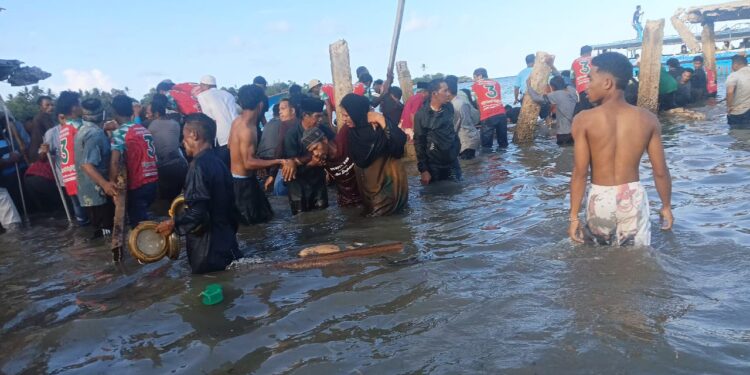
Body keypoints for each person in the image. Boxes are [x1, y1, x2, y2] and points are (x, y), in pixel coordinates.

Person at [568, 52, 673, 246]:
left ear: (607, 83)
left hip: (600, 198)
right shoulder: (648, 118)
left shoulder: (583, 119)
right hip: (632, 196)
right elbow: (660, 171)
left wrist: (573, 217)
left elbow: (580, 173)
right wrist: (666, 206)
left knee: (599, 258)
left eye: (590, 79)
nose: (585, 86)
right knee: (637, 258)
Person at [156, 113, 241, 274]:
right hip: (226, 241)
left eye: (184, 135)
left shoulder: (198, 166)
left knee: (209, 292)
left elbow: (198, 214)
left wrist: (173, 223)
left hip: (207, 250)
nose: (182, 142)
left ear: (194, 135)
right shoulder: (219, 163)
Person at [229, 84, 294, 224]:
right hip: (244, 185)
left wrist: (259, 163)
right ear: (260, 105)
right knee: (254, 224)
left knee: (265, 218)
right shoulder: (248, 129)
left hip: (237, 180)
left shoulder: (237, 122)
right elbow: (248, 162)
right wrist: (279, 161)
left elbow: (231, 147)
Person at [339, 94, 408, 216]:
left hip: (389, 194)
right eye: (342, 115)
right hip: (369, 196)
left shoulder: (379, 127)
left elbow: (399, 144)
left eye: (346, 115)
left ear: (356, 113)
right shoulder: (351, 132)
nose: (344, 119)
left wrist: (380, 119)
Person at [109, 95, 159, 227]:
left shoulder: (120, 133)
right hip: (153, 180)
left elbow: (114, 162)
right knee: (145, 217)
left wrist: (111, 184)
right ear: (131, 111)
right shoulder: (143, 129)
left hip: (137, 184)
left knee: (138, 227)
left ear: (114, 113)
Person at [75, 98, 115, 238]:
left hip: (86, 191)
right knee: (108, 232)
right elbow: (87, 164)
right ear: (103, 114)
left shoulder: (82, 130)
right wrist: (105, 184)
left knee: (98, 230)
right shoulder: (95, 134)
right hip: (98, 192)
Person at [282, 97, 328, 215]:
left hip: (318, 184)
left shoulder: (322, 130)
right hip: (298, 187)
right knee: (302, 220)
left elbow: (334, 148)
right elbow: (291, 165)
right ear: (305, 115)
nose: (320, 120)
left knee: (324, 217)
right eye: (317, 116)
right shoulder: (291, 135)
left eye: (321, 116)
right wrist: (312, 162)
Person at [414, 79, 461, 184]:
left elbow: (453, 130)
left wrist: (456, 148)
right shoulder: (421, 115)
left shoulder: (449, 107)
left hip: (452, 160)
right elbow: (419, 142)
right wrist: (424, 170)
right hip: (434, 165)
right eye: (445, 91)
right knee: (436, 197)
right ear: (434, 94)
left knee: (459, 192)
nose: (448, 94)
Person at [56, 91, 89, 225]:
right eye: (79, 104)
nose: (82, 107)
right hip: (81, 178)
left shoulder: (63, 128)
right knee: (97, 217)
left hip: (69, 178)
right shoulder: (80, 126)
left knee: (82, 219)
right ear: (74, 107)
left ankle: (85, 244)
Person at [148, 94, 188, 200]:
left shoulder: (151, 125)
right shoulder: (175, 123)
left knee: (165, 201)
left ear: (156, 113)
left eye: (149, 113)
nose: (148, 115)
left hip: (163, 167)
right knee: (178, 197)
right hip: (180, 164)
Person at [195, 75, 238, 166]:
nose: (201, 88)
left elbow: (210, 120)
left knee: (224, 167)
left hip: (220, 139)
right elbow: (235, 117)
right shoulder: (228, 94)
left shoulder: (202, 96)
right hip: (236, 135)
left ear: (205, 85)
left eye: (201, 86)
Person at [527, 76, 578, 146]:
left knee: (564, 153)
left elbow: (536, 98)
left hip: (564, 134)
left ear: (553, 87)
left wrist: (528, 86)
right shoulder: (571, 89)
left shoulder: (556, 95)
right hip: (576, 131)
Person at [471, 68, 508, 150]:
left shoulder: (475, 85)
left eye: (475, 77)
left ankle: (489, 162)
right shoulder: (496, 83)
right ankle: (504, 161)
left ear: (479, 76)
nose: (474, 80)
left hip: (487, 115)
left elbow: (476, 102)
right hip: (501, 113)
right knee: (503, 143)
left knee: (486, 146)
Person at [445, 75, 479, 159]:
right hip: (470, 138)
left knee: (467, 168)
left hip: (466, 141)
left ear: (448, 91)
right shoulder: (460, 101)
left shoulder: (454, 105)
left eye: (444, 90)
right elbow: (475, 118)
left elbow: (453, 128)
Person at [27, 96, 55, 163]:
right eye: (47, 105)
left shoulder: (46, 117)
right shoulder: (41, 117)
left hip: (39, 153)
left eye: (52, 105)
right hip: (40, 154)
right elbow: (51, 134)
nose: (51, 107)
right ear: (40, 107)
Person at [726, 54, 750, 126]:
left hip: (740, 113)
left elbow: (730, 92)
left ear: (735, 64)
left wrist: (729, 106)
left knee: (738, 134)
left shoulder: (734, 75)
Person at [572, 45, 594, 115]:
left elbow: (572, 78)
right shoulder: (594, 59)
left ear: (581, 53)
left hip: (582, 90)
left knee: (586, 113)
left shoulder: (574, 62)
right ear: (590, 52)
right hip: (595, 87)